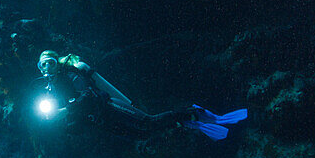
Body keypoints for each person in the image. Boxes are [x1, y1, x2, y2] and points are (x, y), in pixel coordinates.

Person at [34, 50, 247, 140]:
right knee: (143, 135)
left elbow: (88, 96)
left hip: (108, 108)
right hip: (101, 121)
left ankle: (193, 112)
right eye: (42, 65)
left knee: (148, 122)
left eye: (50, 62)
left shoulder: (71, 75)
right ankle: (184, 121)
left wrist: (64, 112)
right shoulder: (52, 88)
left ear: (57, 62)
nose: (47, 68)